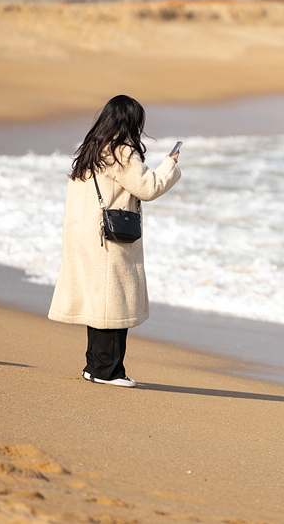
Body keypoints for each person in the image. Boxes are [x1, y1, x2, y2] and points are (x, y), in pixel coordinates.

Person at [48, 95, 181, 387]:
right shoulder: (121, 153)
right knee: (113, 303)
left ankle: (94, 365)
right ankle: (108, 371)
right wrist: (169, 165)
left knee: (98, 301)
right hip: (107, 239)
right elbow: (149, 187)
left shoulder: (91, 150)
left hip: (83, 236)